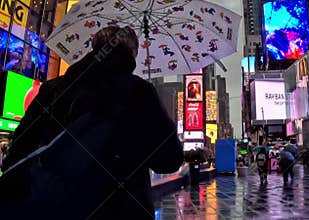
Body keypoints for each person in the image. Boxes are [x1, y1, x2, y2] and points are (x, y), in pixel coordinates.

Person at [1, 26, 183, 219]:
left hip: (57, 209)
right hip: (124, 211)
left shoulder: (52, 89)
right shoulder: (140, 92)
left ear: (93, 47)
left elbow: (17, 154)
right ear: (133, 53)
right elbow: (169, 161)